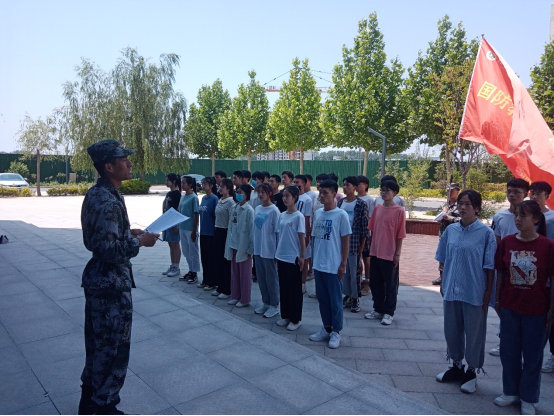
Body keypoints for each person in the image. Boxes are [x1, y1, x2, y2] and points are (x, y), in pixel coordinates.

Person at [79, 140, 158, 415]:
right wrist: (140, 243)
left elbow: (101, 237)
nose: (130, 163)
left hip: (101, 282)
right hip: (110, 286)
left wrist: (128, 232)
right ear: (109, 166)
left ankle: (89, 403)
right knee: (112, 350)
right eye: (124, 160)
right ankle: (104, 406)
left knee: (97, 346)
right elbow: (106, 249)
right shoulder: (107, 201)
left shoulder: (99, 194)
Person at [493, 200, 554, 415]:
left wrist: (551, 309)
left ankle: (528, 397)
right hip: (510, 305)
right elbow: (501, 273)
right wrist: (498, 300)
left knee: (532, 355)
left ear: (536, 219)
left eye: (524, 216)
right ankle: (510, 391)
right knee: (508, 352)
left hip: (537, 309)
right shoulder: (507, 242)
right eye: (517, 215)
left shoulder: (547, 246)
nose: (518, 219)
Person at [434, 190, 496, 395]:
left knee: (474, 333)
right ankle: (456, 365)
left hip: (474, 290)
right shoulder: (451, 230)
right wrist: (443, 281)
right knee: (451, 329)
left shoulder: (486, 234)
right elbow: (443, 258)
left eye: (467, 204)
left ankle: (472, 371)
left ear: (477, 208)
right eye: (460, 203)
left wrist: (488, 292)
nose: (462, 207)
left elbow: (490, 266)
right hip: (452, 288)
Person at [489, 178, 530, 357]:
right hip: (505, 269)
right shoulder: (499, 217)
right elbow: (496, 243)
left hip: (526, 268)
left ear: (526, 194)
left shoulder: (533, 217)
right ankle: (505, 340)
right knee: (503, 305)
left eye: (517, 192)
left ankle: (523, 343)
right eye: (509, 191)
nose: (512, 195)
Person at [309, 180, 352, 350]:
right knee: (323, 300)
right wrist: (313, 262)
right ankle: (326, 328)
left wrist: (343, 263)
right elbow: (315, 238)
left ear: (334, 195)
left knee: (335, 301)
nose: (321, 195)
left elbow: (345, 241)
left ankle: (336, 331)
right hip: (319, 264)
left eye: (325, 192)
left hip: (333, 265)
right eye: (320, 192)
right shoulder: (318, 213)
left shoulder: (341, 215)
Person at [365, 180, 406, 326]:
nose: (384, 193)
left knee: (390, 285)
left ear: (394, 193)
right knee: (375, 283)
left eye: (387, 190)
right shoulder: (378, 208)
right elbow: (372, 230)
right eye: (382, 190)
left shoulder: (399, 211)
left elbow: (400, 235)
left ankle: (389, 312)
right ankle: (378, 309)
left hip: (389, 253)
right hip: (375, 252)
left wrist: (397, 254)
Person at [530, 182, 554, 374]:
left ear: (547, 196)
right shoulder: (526, 214)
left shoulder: (552, 217)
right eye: (532, 193)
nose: (534, 196)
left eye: (539, 193)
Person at [276, 186, 306, 331]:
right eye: (283, 196)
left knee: (294, 289)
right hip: (281, 255)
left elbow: (301, 238)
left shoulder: (298, 216)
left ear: (294, 198)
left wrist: (302, 256)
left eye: (287, 196)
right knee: (284, 287)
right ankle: (285, 315)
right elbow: (279, 235)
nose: (284, 198)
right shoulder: (282, 215)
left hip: (293, 257)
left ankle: (295, 319)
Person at [338, 176, 369, 313]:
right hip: (340, 244)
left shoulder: (361, 204)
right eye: (344, 185)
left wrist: (361, 246)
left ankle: (355, 298)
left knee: (354, 273)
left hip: (354, 243)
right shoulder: (340, 202)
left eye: (348, 185)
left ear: (355, 188)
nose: (345, 187)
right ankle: (347, 295)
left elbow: (364, 227)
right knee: (344, 272)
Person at [253, 183, 281, 318]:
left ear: (269, 193)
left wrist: (277, 252)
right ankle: (266, 302)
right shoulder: (257, 208)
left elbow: (278, 233)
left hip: (269, 250)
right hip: (258, 249)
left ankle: (274, 305)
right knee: (261, 277)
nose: (260, 194)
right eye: (259, 192)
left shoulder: (274, 211)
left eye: (263, 192)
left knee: (271, 278)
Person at [225, 184, 255, 308]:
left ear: (246, 195)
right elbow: (231, 226)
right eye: (237, 192)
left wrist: (251, 248)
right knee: (235, 273)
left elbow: (252, 231)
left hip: (244, 247)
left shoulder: (249, 210)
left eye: (240, 192)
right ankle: (235, 296)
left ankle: (245, 299)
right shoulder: (234, 207)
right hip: (233, 244)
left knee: (245, 275)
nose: (238, 194)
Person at [432, 183, 461, 286]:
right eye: (448, 191)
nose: (449, 193)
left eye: (452, 191)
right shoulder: (445, 205)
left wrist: (450, 218)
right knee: (442, 254)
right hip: (444, 233)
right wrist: (442, 215)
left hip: (455, 234)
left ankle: (453, 275)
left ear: (457, 191)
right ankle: (442, 276)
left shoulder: (460, 205)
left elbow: (463, 220)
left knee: (454, 255)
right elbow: (439, 217)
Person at [308, 173, 331, 299]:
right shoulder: (316, 198)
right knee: (315, 262)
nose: (318, 184)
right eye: (317, 181)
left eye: (321, 181)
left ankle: (326, 290)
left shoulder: (331, 200)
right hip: (315, 234)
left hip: (326, 236)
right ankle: (318, 290)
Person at [213, 179, 236, 299]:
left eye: (222, 187)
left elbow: (232, 220)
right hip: (218, 231)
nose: (220, 188)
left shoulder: (231, 202)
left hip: (226, 232)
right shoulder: (220, 200)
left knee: (225, 261)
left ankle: (227, 289)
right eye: (219, 186)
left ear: (228, 188)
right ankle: (220, 286)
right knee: (218, 260)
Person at [178, 176, 201, 284]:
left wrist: (194, 230)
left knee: (193, 252)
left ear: (190, 185)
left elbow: (196, 214)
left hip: (190, 229)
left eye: (184, 183)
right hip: (182, 227)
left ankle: (195, 272)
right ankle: (190, 269)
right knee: (186, 251)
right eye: (181, 183)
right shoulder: (182, 197)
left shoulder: (193, 197)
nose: (182, 185)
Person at [198, 177, 219, 291]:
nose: (203, 185)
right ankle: (205, 279)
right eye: (202, 183)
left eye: (205, 184)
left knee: (211, 258)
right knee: (204, 257)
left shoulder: (214, 199)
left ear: (211, 186)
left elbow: (216, 216)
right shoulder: (203, 198)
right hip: (203, 232)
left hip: (211, 233)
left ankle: (212, 281)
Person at [294, 175, 313, 294]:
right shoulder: (293, 196)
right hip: (293, 232)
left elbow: (307, 218)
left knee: (304, 258)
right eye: (294, 182)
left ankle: (303, 283)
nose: (295, 184)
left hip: (303, 232)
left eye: (298, 182)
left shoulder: (307, 199)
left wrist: (307, 234)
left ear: (304, 184)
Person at [357, 175, 375, 297]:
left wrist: (370, 235)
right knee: (357, 260)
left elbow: (371, 218)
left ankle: (367, 283)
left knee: (366, 259)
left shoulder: (369, 200)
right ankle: (358, 281)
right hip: (355, 235)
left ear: (366, 185)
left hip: (366, 234)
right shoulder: (352, 198)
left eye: (360, 184)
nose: (357, 186)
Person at [161, 174, 182, 278]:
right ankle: (172, 265)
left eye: (167, 180)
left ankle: (176, 267)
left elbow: (178, 211)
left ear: (173, 182)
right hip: (167, 222)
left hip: (173, 223)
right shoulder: (169, 193)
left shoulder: (177, 195)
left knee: (175, 244)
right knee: (170, 244)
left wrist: (176, 225)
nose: (166, 182)